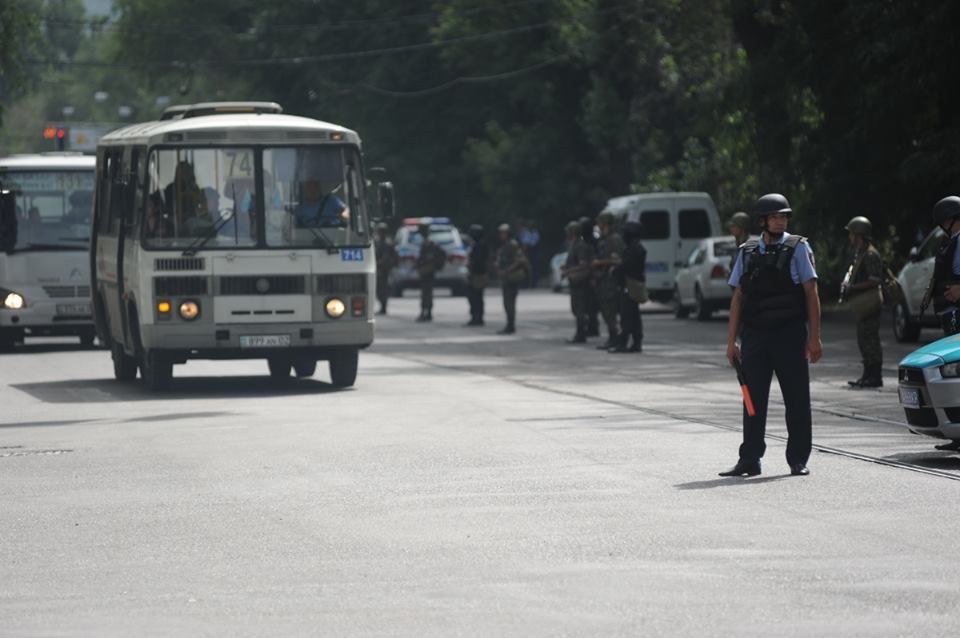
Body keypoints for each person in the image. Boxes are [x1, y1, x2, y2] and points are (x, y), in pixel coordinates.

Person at [720, 193, 822, 478]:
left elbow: (811, 292)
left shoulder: (798, 247)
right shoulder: (748, 250)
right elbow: (738, 297)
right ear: (763, 220)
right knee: (752, 400)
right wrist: (732, 342)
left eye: (784, 216)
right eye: (776, 216)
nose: (781, 221)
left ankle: (798, 459)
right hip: (755, 337)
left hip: (789, 334)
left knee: (797, 399)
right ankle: (750, 458)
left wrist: (814, 337)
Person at [840, 216, 883, 388]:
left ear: (859, 235)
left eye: (852, 234)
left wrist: (854, 287)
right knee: (863, 339)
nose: (850, 238)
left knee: (871, 339)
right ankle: (867, 375)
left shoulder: (871, 254)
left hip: (870, 303)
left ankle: (875, 376)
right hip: (864, 303)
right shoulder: (861, 253)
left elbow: (875, 280)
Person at [610, 220, 646, 353]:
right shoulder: (637, 248)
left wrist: (616, 269)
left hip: (629, 285)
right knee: (634, 315)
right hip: (632, 285)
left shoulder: (633, 249)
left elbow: (627, 266)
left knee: (627, 315)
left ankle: (623, 342)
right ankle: (636, 342)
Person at [591, 211, 625, 350]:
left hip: (611, 281)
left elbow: (616, 260)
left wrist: (599, 262)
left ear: (606, 224)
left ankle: (616, 338)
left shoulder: (614, 239)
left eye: (600, 224)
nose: (598, 226)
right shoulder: (605, 240)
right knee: (606, 311)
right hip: (603, 281)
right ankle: (612, 337)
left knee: (610, 311)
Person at [927, 196, 960, 337]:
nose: (942, 226)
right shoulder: (952, 240)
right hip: (952, 312)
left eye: (943, 222)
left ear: (950, 219)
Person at [562, 219, 596, 343]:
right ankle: (581, 330)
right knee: (576, 308)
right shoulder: (573, 245)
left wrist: (569, 271)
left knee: (579, 309)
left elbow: (583, 264)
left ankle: (581, 334)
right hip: (575, 281)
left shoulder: (580, 246)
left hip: (580, 282)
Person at [496, 223, 527, 334]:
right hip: (506, 278)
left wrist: (507, 270)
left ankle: (511, 325)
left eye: (503, 233)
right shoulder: (505, 246)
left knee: (510, 302)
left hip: (512, 277)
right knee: (506, 302)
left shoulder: (512, 244)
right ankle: (509, 324)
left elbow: (520, 260)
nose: (501, 235)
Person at [415, 221, 446, 322]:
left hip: (428, 271)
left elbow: (435, 256)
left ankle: (427, 312)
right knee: (426, 293)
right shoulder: (426, 243)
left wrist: (430, 265)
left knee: (427, 293)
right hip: (425, 271)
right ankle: (426, 312)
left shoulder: (430, 243)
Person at [465, 224, 489, 326]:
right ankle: (475, 316)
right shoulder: (476, 245)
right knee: (473, 296)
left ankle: (478, 316)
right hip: (474, 274)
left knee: (477, 296)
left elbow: (477, 260)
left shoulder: (481, 245)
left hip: (478, 274)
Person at [374, 222, 397, 315]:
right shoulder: (378, 242)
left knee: (383, 288)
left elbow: (388, 257)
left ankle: (384, 306)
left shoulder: (387, 243)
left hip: (384, 269)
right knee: (379, 288)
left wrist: (381, 264)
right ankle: (382, 305)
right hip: (379, 268)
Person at [519, 219, 541, 287]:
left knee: (534, 267)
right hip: (525, 251)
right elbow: (523, 241)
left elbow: (533, 243)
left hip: (532, 251)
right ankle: (524, 283)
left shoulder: (535, 233)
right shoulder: (525, 232)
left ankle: (534, 283)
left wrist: (526, 247)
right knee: (524, 267)